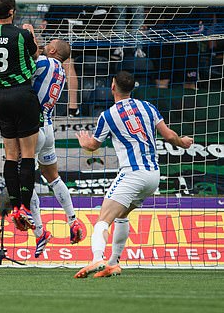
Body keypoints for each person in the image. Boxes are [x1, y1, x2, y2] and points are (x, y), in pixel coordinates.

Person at [74, 70, 193, 278]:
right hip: (153, 175)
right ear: (132, 88)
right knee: (122, 215)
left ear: (112, 86)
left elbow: (93, 145)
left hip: (133, 173)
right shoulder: (147, 107)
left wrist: (85, 143)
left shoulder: (108, 115)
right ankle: (113, 263)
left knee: (103, 220)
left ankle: (96, 259)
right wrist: (182, 142)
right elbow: (169, 135)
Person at [0, 0, 40, 232]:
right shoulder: (22, 34)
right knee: (27, 155)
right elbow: (35, 54)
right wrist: (32, 33)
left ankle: (14, 207)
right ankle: (25, 206)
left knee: (10, 155)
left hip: (0, 96)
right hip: (22, 94)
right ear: (12, 11)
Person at [28, 39, 84, 257]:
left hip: (34, 127)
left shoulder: (43, 62)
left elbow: (21, 69)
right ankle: (72, 219)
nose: (42, 46)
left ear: (52, 51)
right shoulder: (61, 71)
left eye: (46, 44)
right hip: (49, 127)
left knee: (24, 176)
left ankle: (40, 231)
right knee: (53, 177)